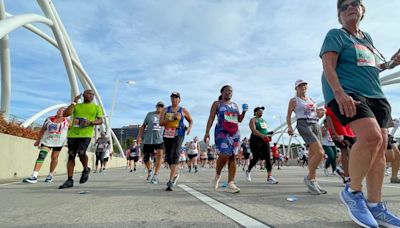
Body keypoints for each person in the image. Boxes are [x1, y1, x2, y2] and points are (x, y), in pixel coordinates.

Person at [320, 0, 400, 226]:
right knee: (371, 136)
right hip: (349, 92)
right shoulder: (336, 34)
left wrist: (391, 64)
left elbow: (373, 67)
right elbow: (328, 64)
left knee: (380, 149)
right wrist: (339, 93)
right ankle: (353, 192)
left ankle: (376, 206)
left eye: (356, 4)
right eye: (344, 6)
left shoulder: (367, 40)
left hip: (376, 94)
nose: (351, 7)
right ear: (339, 16)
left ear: (363, 11)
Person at [204, 85, 247, 193]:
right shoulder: (217, 104)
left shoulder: (235, 105)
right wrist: (207, 132)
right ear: (222, 92)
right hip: (222, 132)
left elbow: (239, 119)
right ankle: (217, 175)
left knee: (232, 156)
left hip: (234, 133)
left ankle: (230, 183)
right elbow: (211, 118)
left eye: (231, 91)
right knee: (224, 154)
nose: (229, 92)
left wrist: (244, 111)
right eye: (227, 90)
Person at [287, 79, 326, 195]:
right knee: (320, 152)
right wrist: (290, 127)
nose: (303, 87)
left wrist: (320, 113)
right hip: (303, 124)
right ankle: (309, 178)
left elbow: (316, 115)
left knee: (313, 154)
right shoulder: (294, 100)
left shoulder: (311, 100)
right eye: (300, 85)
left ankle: (313, 182)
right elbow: (288, 115)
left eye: (304, 85)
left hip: (315, 124)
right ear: (296, 88)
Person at [59, 90, 104, 189]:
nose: (91, 96)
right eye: (89, 94)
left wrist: (91, 122)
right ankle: (69, 180)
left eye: (93, 94)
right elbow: (65, 114)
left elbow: (100, 120)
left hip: (86, 134)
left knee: (81, 152)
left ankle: (85, 169)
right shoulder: (77, 106)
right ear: (83, 95)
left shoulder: (96, 107)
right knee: (71, 155)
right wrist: (74, 102)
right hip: (73, 134)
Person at [23, 107, 69, 183]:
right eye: (60, 110)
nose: (61, 111)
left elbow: (71, 131)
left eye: (63, 110)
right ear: (57, 111)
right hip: (47, 141)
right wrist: (38, 141)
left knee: (54, 158)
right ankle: (34, 176)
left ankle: (50, 175)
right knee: (41, 155)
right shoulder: (49, 119)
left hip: (59, 143)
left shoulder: (67, 121)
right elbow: (42, 129)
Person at [160, 92, 193, 191]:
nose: (174, 99)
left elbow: (190, 120)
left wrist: (189, 128)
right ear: (170, 99)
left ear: (179, 100)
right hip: (167, 133)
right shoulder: (165, 110)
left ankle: (170, 181)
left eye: (176, 97)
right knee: (169, 157)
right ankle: (175, 174)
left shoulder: (183, 110)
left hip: (179, 133)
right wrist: (171, 118)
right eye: (172, 97)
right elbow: (161, 123)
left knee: (175, 153)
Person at [245, 106, 278, 184]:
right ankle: (248, 170)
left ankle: (269, 177)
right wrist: (262, 136)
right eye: (260, 111)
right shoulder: (253, 120)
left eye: (262, 111)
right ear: (255, 112)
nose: (261, 112)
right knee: (256, 157)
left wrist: (269, 133)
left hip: (264, 140)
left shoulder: (264, 121)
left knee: (268, 157)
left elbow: (264, 131)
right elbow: (254, 130)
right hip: (255, 140)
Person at [325, 106, 355, 184]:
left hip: (349, 130)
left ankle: (342, 170)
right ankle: (347, 176)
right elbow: (328, 118)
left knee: (353, 152)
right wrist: (334, 133)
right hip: (339, 131)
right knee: (345, 151)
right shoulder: (330, 103)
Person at [137, 101, 165, 184]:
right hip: (148, 139)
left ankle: (155, 175)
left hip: (160, 139)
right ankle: (150, 170)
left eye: (161, 106)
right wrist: (139, 137)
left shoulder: (165, 115)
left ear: (163, 107)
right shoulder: (150, 114)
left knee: (160, 155)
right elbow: (143, 126)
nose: (160, 107)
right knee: (145, 157)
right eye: (158, 105)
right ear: (156, 106)